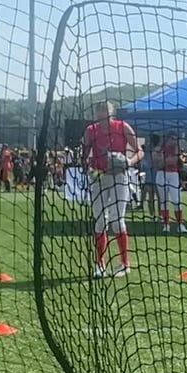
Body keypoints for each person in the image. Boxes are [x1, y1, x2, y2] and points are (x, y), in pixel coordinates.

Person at [82, 100, 140, 277]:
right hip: (99, 177)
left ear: (112, 112)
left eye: (105, 111)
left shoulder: (123, 127)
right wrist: (88, 168)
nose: (102, 114)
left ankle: (124, 264)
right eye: (99, 111)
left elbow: (140, 151)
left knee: (117, 220)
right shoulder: (90, 131)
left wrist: (128, 162)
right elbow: (84, 155)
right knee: (100, 220)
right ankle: (100, 263)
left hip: (119, 177)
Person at [152, 132, 187, 232]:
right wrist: (164, 160)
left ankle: (180, 224)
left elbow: (174, 161)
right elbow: (155, 161)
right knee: (164, 201)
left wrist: (163, 160)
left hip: (173, 174)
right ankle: (166, 225)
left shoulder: (176, 148)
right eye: (173, 139)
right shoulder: (159, 148)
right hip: (161, 174)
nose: (175, 141)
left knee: (176, 200)